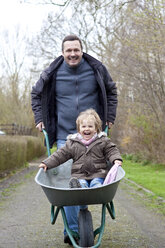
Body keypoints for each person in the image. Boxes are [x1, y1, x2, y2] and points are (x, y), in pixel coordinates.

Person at [31, 34, 118, 245]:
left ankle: (82, 220)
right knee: (68, 184)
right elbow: (36, 94)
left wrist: (110, 117)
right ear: (63, 52)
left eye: (76, 50)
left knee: (91, 175)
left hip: (94, 136)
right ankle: (72, 230)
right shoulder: (52, 73)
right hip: (65, 136)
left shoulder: (96, 69)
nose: (72, 54)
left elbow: (111, 90)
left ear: (82, 50)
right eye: (68, 51)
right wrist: (41, 119)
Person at [39, 109, 122, 209]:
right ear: (79, 129)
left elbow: (111, 150)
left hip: (98, 173)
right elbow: (60, 155)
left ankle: (96, 190)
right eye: (84, 126)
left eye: (90, 126)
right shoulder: (73, 143)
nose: (87, 129)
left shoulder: (103, 141)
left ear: (96, 129)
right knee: (81, 184)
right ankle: (79, 188)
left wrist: (116, 159)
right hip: (80, 174)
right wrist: (47, 163)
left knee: (96, 183)